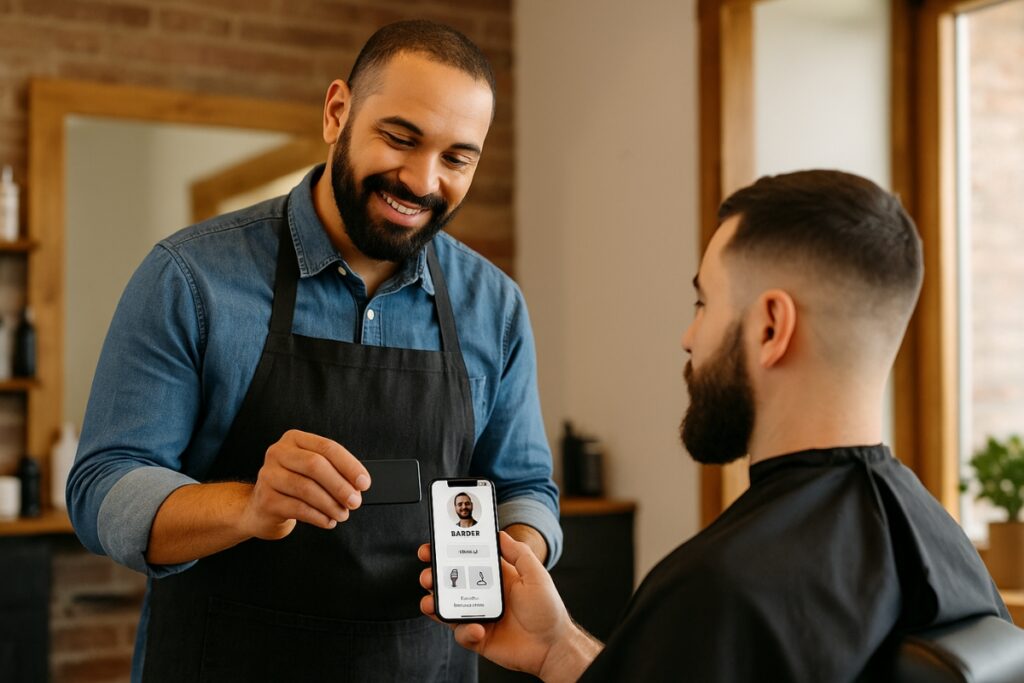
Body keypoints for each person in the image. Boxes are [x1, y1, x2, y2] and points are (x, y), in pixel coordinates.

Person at [66, 20, 561, 683]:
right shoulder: (190, 278)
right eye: (400, 138)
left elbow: (525, 488)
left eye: (457, 157)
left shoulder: (494, 306)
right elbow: (104, 484)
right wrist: (249, 506)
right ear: (337, 113)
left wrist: (511, 557)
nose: (421, 180)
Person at [418, 170, 1012, 682]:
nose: (688, 337)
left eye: (704, 305)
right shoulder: (947, 554)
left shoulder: (722, 591)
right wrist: (558, 650)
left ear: (771, 327)